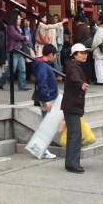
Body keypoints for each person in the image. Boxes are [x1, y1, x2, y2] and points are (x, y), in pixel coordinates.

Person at [61, 43, 90, 173]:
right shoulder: (73, 66)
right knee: (75, 135)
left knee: (73, 134)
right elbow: (74, 77)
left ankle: (71, 163)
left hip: (72, 105)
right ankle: (73, 164)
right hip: (72, 105)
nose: (84, 55)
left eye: (85, 53)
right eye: (81, 53)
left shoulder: (75, 65)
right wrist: (81, 84)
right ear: (74, 55)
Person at [31, 45, 60, 159]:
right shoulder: (43, 66)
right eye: (55, 55)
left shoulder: (41, 64)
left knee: (45, 125)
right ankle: (40, 150)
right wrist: (47, 99)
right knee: (46, 126)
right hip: (47, 98)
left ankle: (40, 149)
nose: (56, 57)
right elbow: (42, 83)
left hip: (46, 97)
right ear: (51, 54)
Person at [0, 14, 29, 91]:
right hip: (12, 51)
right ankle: (1, 82)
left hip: (19, 50)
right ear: (14, 19)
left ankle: (22, 86)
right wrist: (24, 37)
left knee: (22, 70)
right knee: (12, 70)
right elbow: (16, 36)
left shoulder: (18, 28)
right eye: (18, 19)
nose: (20, 20)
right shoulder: (10, 27)